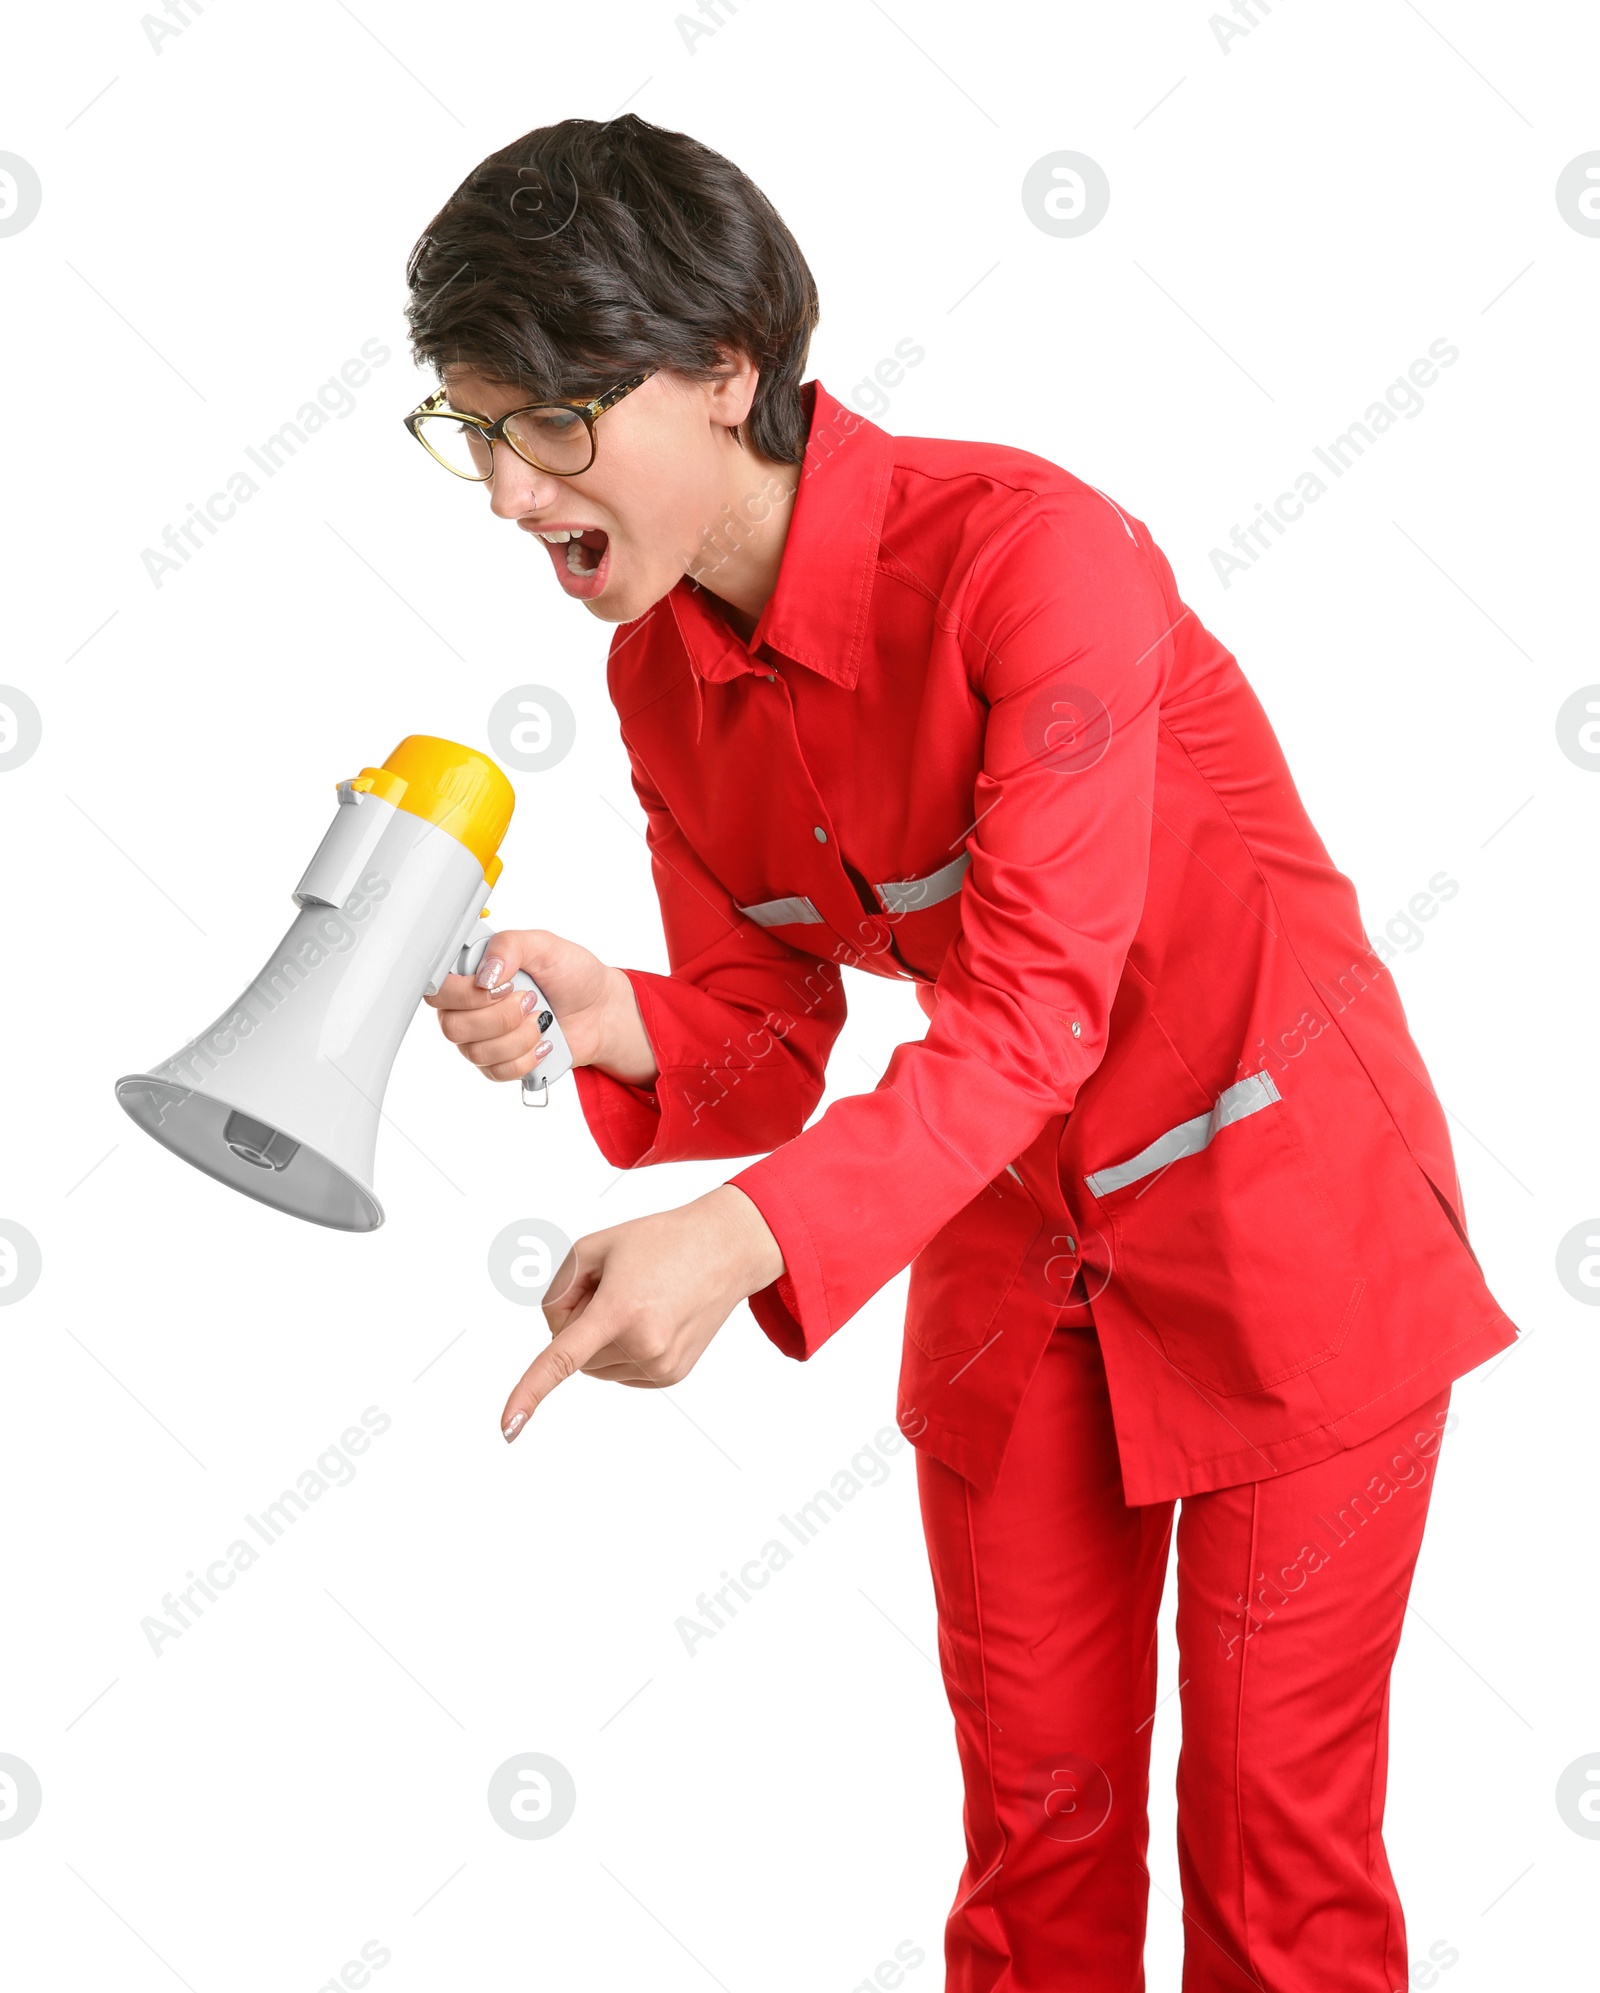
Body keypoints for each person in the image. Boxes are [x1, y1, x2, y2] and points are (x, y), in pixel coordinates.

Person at [409, 115, 1519, 1991]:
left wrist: (741, 1238)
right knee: (1035, 1852)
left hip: (1290, 1217)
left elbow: (1032, 1006)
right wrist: (607, 1010)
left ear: (727, 373)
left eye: (551, 423)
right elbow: (768, 1037)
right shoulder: (657, 672)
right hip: (1016, 1228)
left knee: (1275, 1854)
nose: (512, 491)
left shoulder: (1036, 560)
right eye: (474, 430)